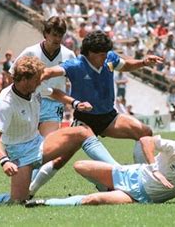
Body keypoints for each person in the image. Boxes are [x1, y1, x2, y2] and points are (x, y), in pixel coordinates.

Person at [0, 56, 117, 206]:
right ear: (24, 80)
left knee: (82, 132)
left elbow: (54, 93)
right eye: (36, 79)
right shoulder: (6, 101)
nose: (40, 82)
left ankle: (118, 173)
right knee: (18, 200)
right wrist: (5, 161)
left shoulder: (34, 87)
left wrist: (75, 103)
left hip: (39, 143)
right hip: (20, 154)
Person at [43, 30, 164, 164]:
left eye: (106, 53)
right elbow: (50, 72)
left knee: (145, 132)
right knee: (60, 160)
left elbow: (125, 65)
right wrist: (36, 78)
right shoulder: (76, 65)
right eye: (101, 55)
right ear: (90, 53)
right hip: (84, 121)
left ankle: (140, 176)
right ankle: (32, 184)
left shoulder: (109, 58)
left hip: (109, 118)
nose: (105, 57)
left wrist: (143, 62)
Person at [25, 135, 175, 207]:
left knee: (92, 201)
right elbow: (146, 140)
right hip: (131, 173)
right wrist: (154, 169)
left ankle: (45, 203)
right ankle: (106, 186)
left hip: (138, 196)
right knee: (79, 166)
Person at [8, 16, 76, 197]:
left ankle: (27, 189)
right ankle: (23, 188)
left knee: (48, 148)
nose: (57, 39)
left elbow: (75, 79)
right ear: (45, 33)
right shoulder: (30, 52)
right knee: (27, 148)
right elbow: (12, 75)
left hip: (53, 104)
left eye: (60, 35)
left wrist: (73, 101)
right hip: (30, 101)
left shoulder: (69, 55)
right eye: (54, 34)